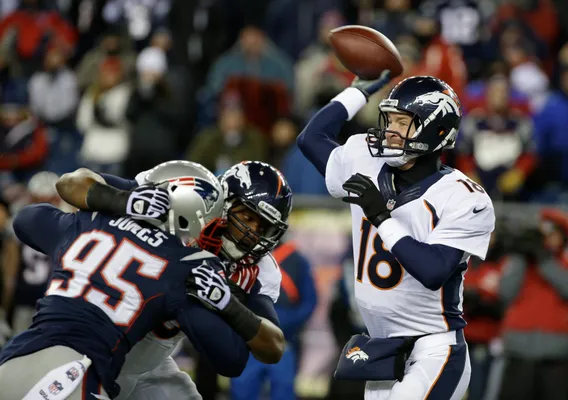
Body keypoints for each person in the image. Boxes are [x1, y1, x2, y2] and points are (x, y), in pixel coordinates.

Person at [297, 72, 495, 399]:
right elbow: (311, 138)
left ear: (437, 130)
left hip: (433, 348)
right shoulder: (365, 159)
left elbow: (433, 271)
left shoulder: (464, 196)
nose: (390, 132)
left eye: (403, 123)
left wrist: (381, 217)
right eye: (389, 120)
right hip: (382, 349)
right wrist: (356, 91)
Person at [0, 161, 272, 399]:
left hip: (18, 355)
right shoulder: (187, 265)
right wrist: (227, 304)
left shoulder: (94, 218)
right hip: (77, 374)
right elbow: (232, 360)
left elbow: (26, 219)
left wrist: (119, 202)